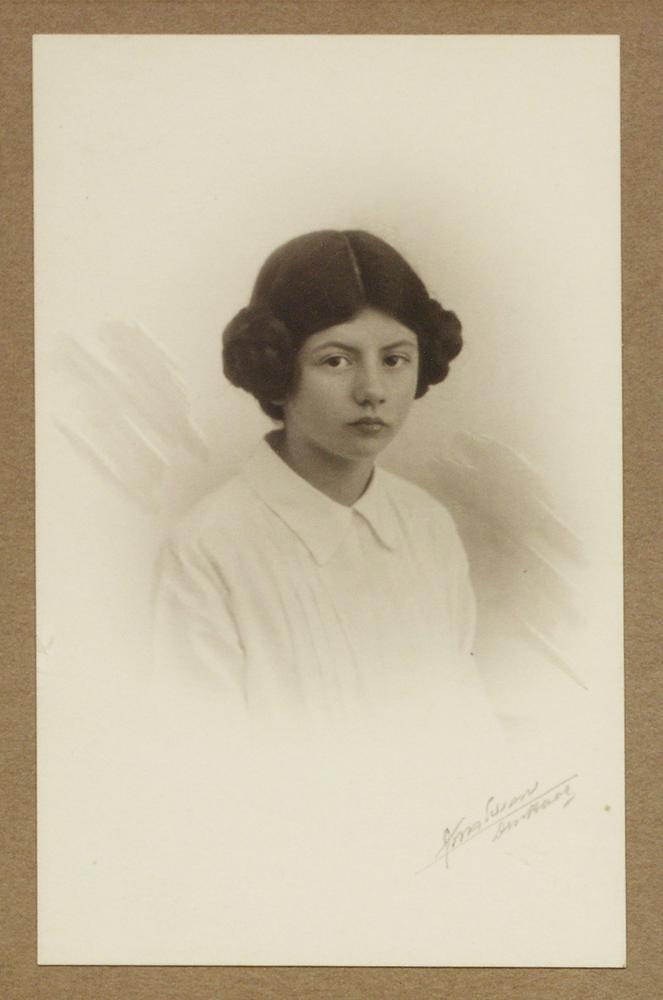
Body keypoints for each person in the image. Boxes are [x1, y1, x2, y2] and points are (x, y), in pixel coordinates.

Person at [153, 229, 500, 739]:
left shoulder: (428, 525)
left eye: (394, 359)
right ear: (275, 366)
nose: (372, 390)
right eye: (336, 360)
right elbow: (202, 761)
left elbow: (471, 735)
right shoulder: (208, 550)